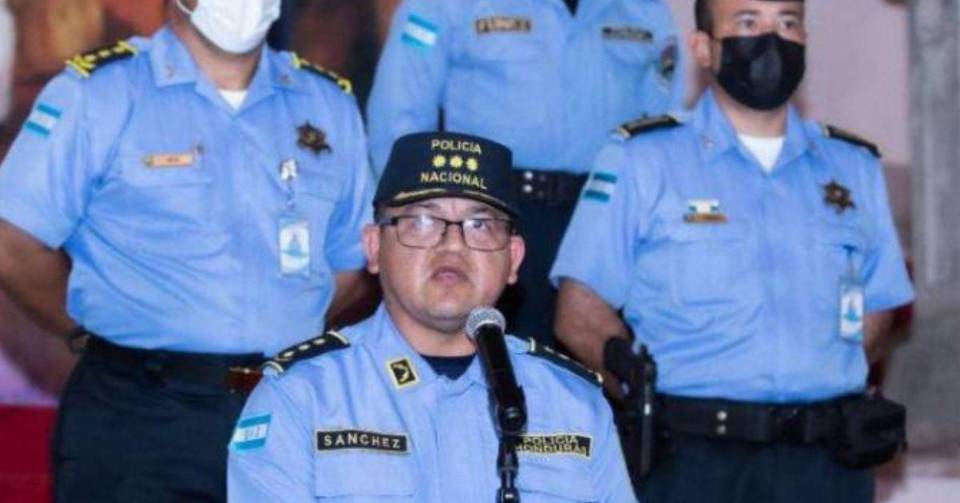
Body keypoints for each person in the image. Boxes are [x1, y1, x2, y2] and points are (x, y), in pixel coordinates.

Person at [0, 0, 374, 499]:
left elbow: (352, 259)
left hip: (286, 409)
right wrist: (90, 328)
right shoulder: (100, 93)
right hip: (142, 412)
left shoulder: (327, 102)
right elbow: (13, 242)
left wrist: (281, 319)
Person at [551, 0, 914, 501]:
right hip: (693, 459)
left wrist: (828, 372)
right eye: (747, 22)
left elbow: (880, 303)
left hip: (825, 460)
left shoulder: (853, 165)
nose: (771, 39)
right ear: (703, 48)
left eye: (787, 23)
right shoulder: (642, 158)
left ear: (806, 40)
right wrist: (638, 393)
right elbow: (579, 311)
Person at [228, 131, 636, 502]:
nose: (452, 244)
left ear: (513, 259)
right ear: (373, 248)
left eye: (480, 225)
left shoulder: (574, 403)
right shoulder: (301, 396)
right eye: (422, 221)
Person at [366, 0, 685, 345]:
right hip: (494, 219)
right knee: (489, 359)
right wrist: (421, 227)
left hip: (607, 222)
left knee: (601, 364)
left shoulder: (643, 8)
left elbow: (664, 133)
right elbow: (398, 122)